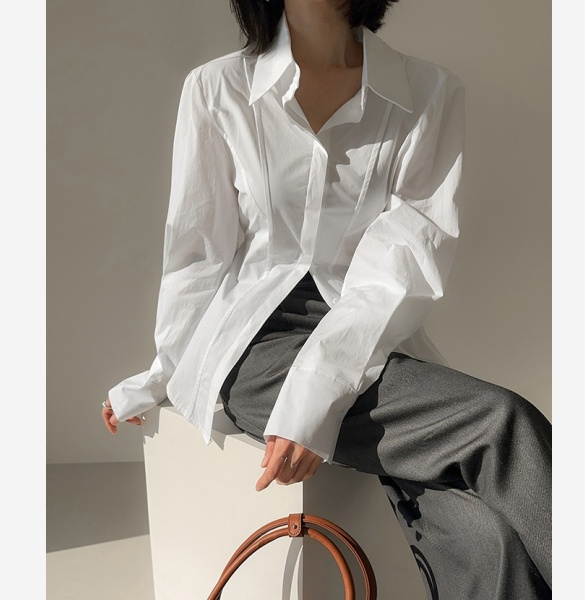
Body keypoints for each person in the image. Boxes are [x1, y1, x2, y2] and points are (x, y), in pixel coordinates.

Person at [102, 1, 552, 597]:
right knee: (503, 423)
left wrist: (321, 390)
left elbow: (405, 260)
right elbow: (197, 252)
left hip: (367, 339)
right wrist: (165, 371)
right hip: (253, 347)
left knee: (485, 539)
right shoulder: (218, 88)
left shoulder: (428, 93)